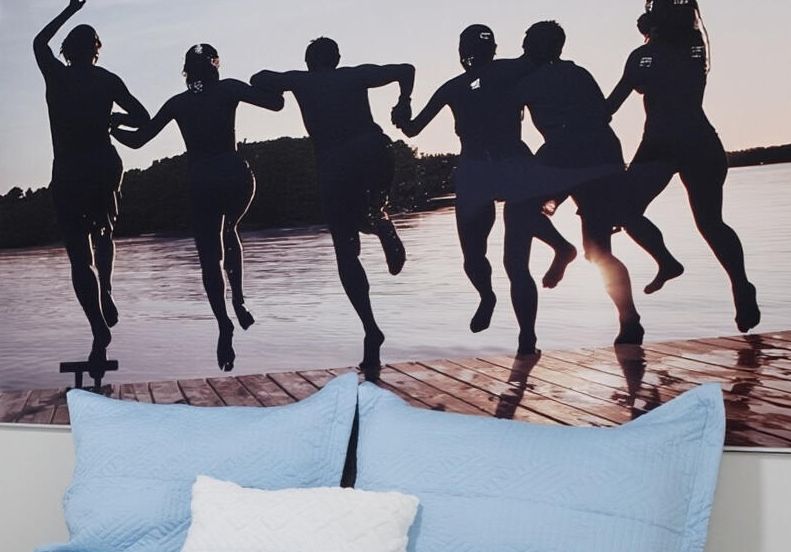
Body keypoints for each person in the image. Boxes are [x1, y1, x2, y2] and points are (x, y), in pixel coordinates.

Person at [394, 23, 573, 354]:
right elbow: (413, 128)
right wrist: (403, 109)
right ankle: (505, 307)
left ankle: (516, 324)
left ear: (465, 53)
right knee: (493, 259)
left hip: (497, 166)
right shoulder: (492, 76)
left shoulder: (485, 77)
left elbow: (411, 128)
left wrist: (402, 107)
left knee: (495, 259)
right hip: (493, 167)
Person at [116, 44, 286, 371]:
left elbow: (138, 140)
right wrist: (267, 80)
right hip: (235, 175)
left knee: (210, 257)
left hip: (201, 181)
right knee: (230, 230)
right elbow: (276, 104)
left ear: (187, 72)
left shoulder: (178, 103)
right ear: (215, 66)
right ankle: (238, 299)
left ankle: (223, 322)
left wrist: (113, 129)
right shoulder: (229, 88)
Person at [252, 36, 414, 379]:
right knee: (371, 210)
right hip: (374, 152)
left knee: (346, 250)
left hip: (334, 164)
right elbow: (405, 69)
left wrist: (277, 90)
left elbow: (259, 77)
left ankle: (371, 328)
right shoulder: (355, 75)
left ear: (309, 61)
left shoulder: (301, 80)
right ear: (337, 59)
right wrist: (404, 102)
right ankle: (380, 220)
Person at [605, 0, 761, 331]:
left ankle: (667, 261)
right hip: (699, 142)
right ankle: (739, 282)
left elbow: (610, 106)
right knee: (711, 222)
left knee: (624, 210)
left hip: (662, 144)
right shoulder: (695, 46)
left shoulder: (645, 56)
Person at [28, 0, 147, 362]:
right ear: (96, 50)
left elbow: (37, 42)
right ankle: (107, 288)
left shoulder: (57, 77)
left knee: (80, 257)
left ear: (67, 50)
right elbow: (143, 118)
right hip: (101, 166)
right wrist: (116, 119)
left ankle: (97, 326)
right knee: (105, 232)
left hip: (68, 170)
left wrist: (69, 10)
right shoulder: (107, 80)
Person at [515, 19, 647, 345]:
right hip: (601, 156)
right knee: (599, 251)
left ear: (536, 47)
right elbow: (603, 113)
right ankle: (629, 319)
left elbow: (498, 109)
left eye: (527, 43)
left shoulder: (529, 81)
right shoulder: (579, 73)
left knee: (520, 209)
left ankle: (561, 247)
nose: (523, 48)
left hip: (564, 156)